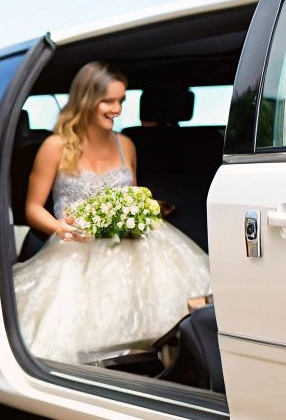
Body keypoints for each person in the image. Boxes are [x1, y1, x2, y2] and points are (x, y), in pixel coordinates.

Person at [12, 62, 210, 365]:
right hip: (78, 246)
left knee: (182, 306)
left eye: (121, 101)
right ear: (86, 100)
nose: (117, 109)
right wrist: (59, 227)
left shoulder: (126, 144)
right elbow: (32, 208)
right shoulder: (55, 146)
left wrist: (143, 210)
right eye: (108, 101)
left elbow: (130, 194)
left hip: (135, 243)